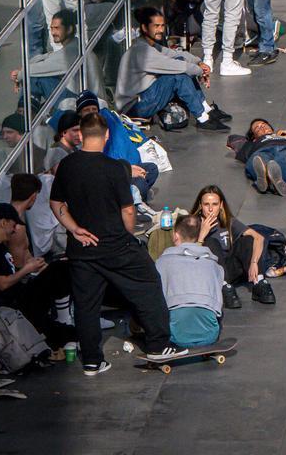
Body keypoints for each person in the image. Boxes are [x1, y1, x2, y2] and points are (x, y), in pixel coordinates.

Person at [49, 113, 184, 374]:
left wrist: (75, 229)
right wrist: (127, 234)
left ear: (81, 135)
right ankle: (158, 345)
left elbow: (56, 204)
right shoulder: (113, 168)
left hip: (81, 249)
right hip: (116, 246)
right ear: (107, 135)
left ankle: (92, 360)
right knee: (147, 284)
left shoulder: (67, 165)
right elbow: (128, 210)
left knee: (86, 305)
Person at [0, 203, 73, 347]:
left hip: (19, 295)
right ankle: (65, 319)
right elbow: (2, 283)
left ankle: (67, 320)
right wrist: (27, 269)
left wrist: (30, 269)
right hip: (11, 303)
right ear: (3, 222)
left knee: (60, 269)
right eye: (13, 225)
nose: (14, 230)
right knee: (59, 269)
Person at [114, 7, 231, 132]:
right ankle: (202, 118)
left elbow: (176, 55)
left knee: (181, 62)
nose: (160, 30)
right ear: (144, 27)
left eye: (162, 26)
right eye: (156, 26)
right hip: (133, 108)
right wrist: (201, 71)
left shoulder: (149, 46)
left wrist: (199, 62)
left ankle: (206, 109)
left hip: (144, 98)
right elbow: (180, 67)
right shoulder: (142, 52)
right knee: (177, 75)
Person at [191, 185, 277, 307]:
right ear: (200, 205)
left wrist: (254, 262)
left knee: (247, 239)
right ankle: (224, 287)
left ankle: (259, 282)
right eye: (206, 204)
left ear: (221, 205)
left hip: (230, 268)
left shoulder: (227, 221)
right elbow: (189, 257)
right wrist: (202, 235)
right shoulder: (193, 223)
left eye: (214, 204)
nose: (210, 209)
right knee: (211, 243)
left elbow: (259, 238)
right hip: (210, 272)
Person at [74, 92, 160, 209]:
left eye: (94, 109)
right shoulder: (81, 133)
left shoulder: (102, 124)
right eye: (87, 110)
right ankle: (135, 197)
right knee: (140, 182)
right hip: (106, 179)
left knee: (151, 169)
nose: (91, 112)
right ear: (79, 113)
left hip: (116, 169)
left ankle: (136, 194)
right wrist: (127, 171)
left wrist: (129, 168)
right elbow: (97, 168)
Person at [156, 215, 226, 348]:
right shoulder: (214, 265)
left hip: (175, 335)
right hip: (210, 334)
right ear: (199, 235)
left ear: (175, 235)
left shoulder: (162, 263)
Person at [227, 119, 286, 196]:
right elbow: (232, 138)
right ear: (254, 137)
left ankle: (270, 178)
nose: (262, 126)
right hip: (262, 150)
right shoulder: (252, 143)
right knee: (258, 158)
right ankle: (269, 176)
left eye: (264, 124)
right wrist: (250, 140)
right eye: (257, 128)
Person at [11, 9, 78, 108]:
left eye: (57, 28)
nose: (53, 32)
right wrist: (22, 71)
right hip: (77, 96)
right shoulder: (74, 45)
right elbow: (47, 57)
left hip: (82, 102)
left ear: (69, 29)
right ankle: (27, 111)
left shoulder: (71, 53)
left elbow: (42, 67)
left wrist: (20, 75)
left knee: (35, 77)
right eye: (51, 28)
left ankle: (24, 113)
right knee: (34, 74)